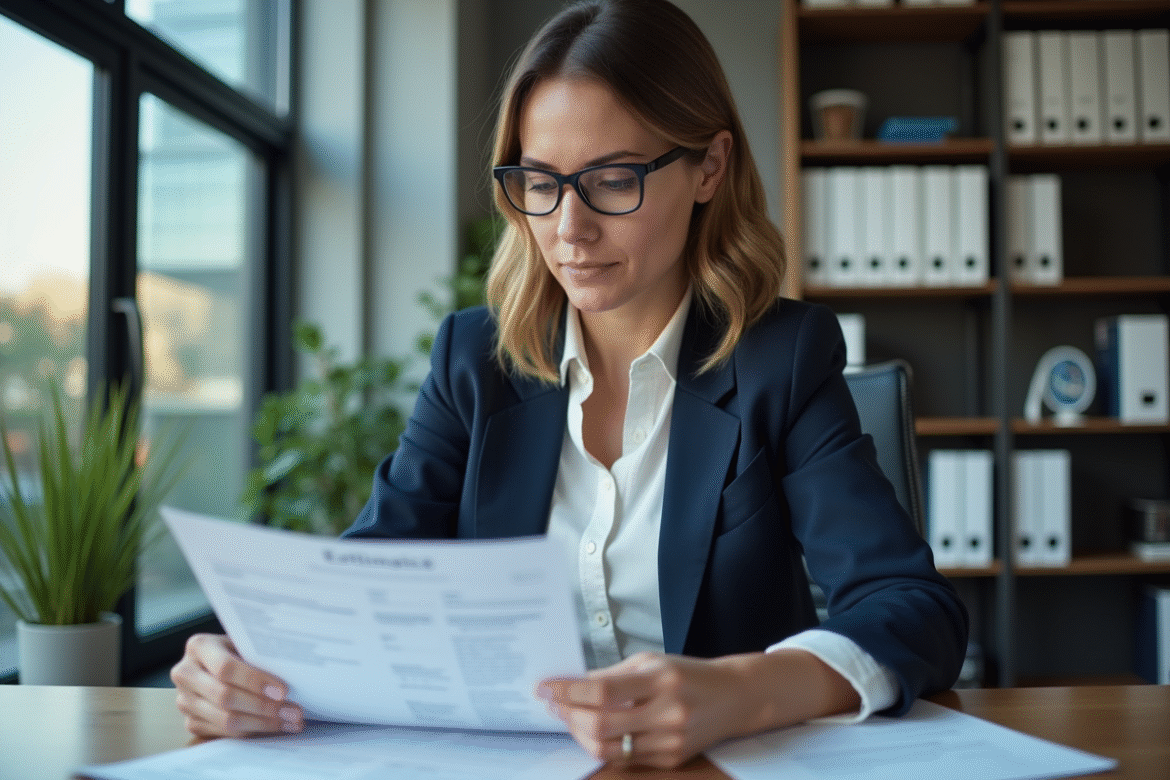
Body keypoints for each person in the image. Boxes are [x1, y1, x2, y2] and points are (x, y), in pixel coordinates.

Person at [170, 0, 968, 769]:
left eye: (614, 180)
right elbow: (374, 581)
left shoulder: (781, 361)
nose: (568, 229)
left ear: (709, 168)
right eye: (540, 182)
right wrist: (252, 661)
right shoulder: (473, 361)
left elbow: (912, 609)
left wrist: (741, 691)